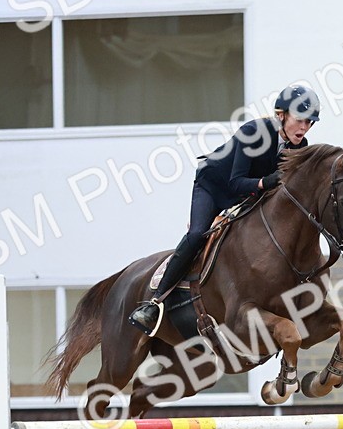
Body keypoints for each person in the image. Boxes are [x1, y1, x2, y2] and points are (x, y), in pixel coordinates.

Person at [128, 84, 322, 336]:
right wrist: (265, 182)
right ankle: (154, 302)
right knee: (197, 234)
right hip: (214, 187)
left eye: (309, 122)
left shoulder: (300, 146)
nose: (304, 128)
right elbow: (235, 181)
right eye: (300, 120)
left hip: (247, 195)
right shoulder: (254, 132)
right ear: (281, 115)